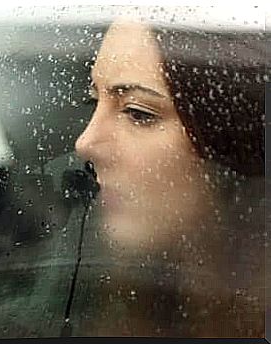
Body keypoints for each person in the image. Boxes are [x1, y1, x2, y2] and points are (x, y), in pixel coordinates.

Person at [73, 18, 267, 337]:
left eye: (138, 113)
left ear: (236, 139)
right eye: (94, 102)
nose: (85, 143)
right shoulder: (120, 293)